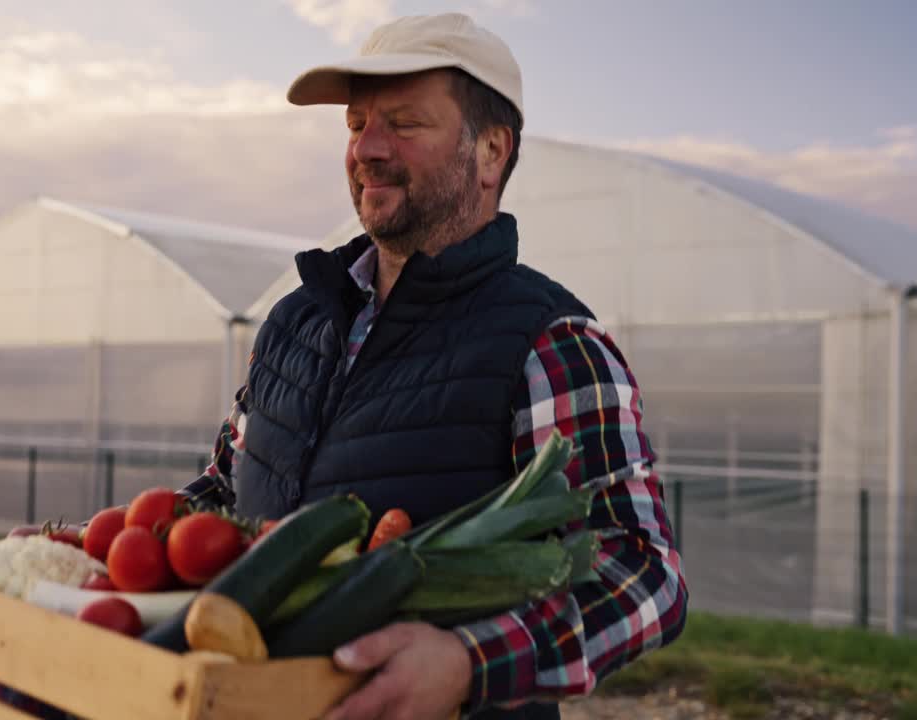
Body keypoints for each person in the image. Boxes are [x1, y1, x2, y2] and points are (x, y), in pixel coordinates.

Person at [181, 13, 687, 720]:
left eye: (405, 123)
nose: (367, 148)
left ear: (489, 152)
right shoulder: (295, 321)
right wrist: (85, 553)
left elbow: (642, 571)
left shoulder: (549, 339)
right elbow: (222, 490)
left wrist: (469, 663)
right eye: (356, 124)